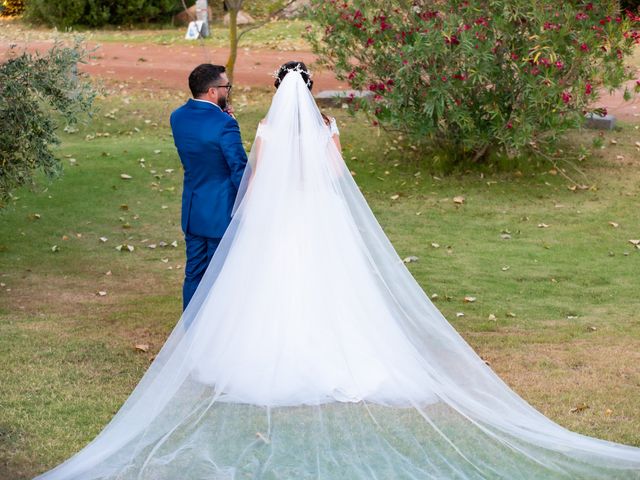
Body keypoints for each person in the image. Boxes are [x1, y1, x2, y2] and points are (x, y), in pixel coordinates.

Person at [34, 63, 640, 479]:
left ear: (275, 92)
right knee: (332, 287)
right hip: (315, 218)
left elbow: (253, 180)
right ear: (311, 90)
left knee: (264, 289)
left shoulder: (265, 129)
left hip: (275, 223)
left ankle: (239, 351)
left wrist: (258, 207)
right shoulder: (328, 128)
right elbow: (333, 179)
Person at [170, 63, 247, 311]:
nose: (229, 92)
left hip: (194, 210)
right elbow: (239, 169)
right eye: (227, 87)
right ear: (213, 91)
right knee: (220, 277)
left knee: (193, 274)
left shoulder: (177, 117)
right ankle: (213, 338)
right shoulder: (225, 125)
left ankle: (190, 330)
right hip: (222, 211)